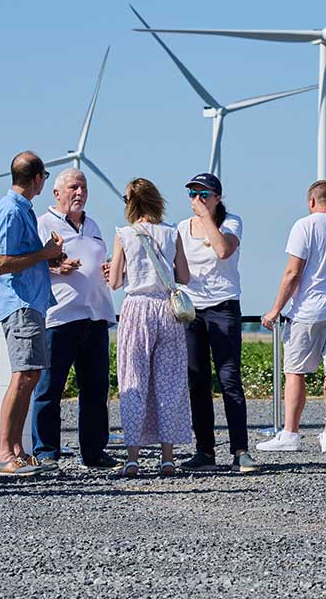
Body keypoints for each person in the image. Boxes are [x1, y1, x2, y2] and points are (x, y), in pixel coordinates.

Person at [258, 180, 326, 454]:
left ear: (311, 201)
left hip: (308, 310)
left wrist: (275, 308)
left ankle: (290, 433)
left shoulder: (304, 226)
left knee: (295, 372)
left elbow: (293, 273)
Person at [0, 152, 68, 477]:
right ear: (37, 178)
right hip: (18, 302)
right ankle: (4, 452)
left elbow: (19, 257)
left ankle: (17, 449)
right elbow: (1, 262)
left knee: (30, 374)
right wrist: (44, 253)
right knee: (22, 376)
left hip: (29, 301)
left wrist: (48, 259)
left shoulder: (21, 210)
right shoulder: (10, 210)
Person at [33, 168, 117, 469]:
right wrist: (55, 268)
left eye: (83, 187)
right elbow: (29, 266)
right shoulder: (43, 225)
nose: (79, 192)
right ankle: (45, 452)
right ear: (57, 194)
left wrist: (107, 269)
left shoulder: (93, 225)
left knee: (95, 390)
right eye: (73, 188)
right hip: (59, 317)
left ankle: (93, 452)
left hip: (95, 316)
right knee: (48, 388)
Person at [108, 178, 193, 477]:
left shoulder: (124, 234)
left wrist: (114, 270)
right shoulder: (173, 233)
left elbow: (116, 281)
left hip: (137, 308)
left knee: (133, 381)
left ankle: (132, 458)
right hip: (167, 309)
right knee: (169, 384)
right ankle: (167, 458)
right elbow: (184, 275)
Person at [177, 172, 257, 473]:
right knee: (197, 381)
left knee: (229, 379)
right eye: (192, 194)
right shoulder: (181, 228)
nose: (196, 200)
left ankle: (240, 451)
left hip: (223, 307)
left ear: (217, 197)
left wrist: (206, 218)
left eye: (203, 194)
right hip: (191, 311)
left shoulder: (231, 221)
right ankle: (205, 451)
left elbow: (224, 250)